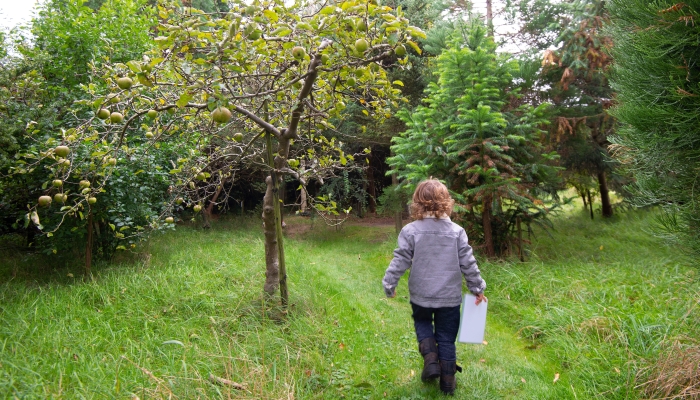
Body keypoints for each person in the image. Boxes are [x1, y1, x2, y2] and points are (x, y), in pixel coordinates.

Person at [382, 178, 486, 395]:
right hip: (449, 297)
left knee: (422, 322)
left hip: (421, 294)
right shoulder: (457, 231)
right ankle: (448, 382)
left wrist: (390, 283)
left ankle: (430, 359)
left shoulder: (410, 231)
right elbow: (468, 263)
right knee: (446, 336)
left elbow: (400, 259)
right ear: (446, 202)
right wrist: (477, 287)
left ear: (417, 203)